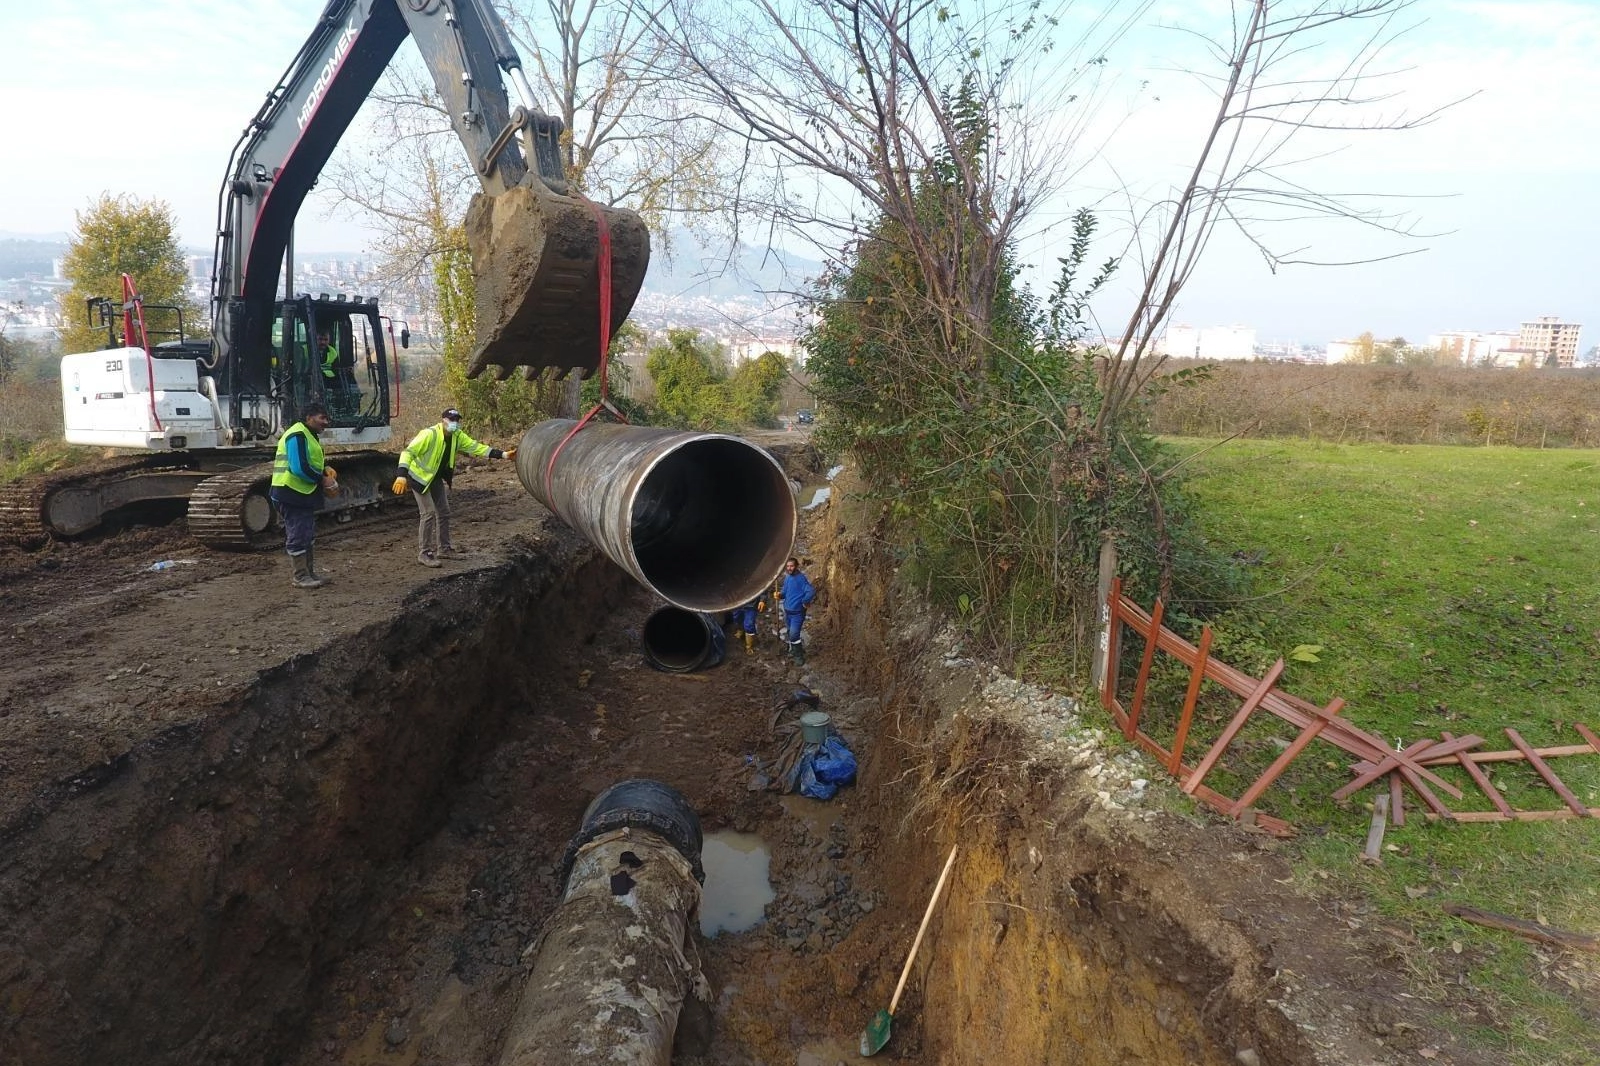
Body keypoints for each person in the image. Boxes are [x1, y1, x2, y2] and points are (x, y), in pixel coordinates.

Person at [392, 407, 516, 567]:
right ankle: (425, 553)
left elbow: (476, 447)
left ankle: (444, 549)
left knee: (443, 511)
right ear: (443, 420)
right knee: (428, 513)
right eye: (451, 420)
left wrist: (504, 455)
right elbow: (408, 452)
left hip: (434, 478)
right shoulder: (429, 434)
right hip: (418, 478)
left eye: (457, 420)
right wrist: (401, 474)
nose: (454, 423)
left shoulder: (457, 436)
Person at [270, 402, 338, 589]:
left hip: (300, 492)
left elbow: (308, 460)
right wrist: (322, 480)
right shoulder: (297, 435)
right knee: (298, 534)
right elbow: (299, 468)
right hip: (290, 492)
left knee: (306, 533)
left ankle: (309, 573)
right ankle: (300, 576)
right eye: (322, 418)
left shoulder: (309, 435)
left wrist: (324, 468)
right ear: (309, 417)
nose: (326, 422)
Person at [778, 556, 816, 663]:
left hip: (797, 613)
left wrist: (805, 601)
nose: (789, 568)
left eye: (792, 566)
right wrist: (780, 595)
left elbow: (811, 591)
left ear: (796, 566)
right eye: (788, 566)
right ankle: (794, 650)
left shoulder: (800, 578)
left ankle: (798, 656)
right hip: (787, 612)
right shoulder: (787, 578)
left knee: (794, 634)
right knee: (790, 632)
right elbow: (785, 592)